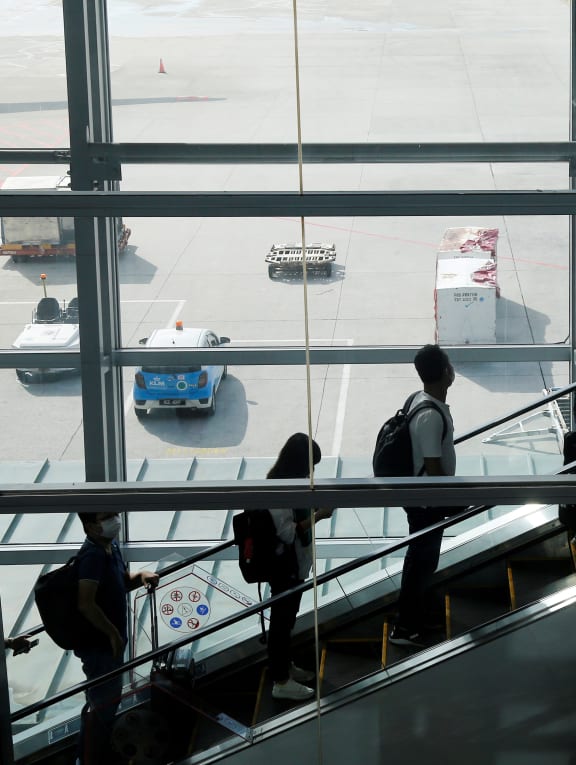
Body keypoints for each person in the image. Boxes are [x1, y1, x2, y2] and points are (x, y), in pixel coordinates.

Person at [75, 511, 159, 765]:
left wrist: (141, 576)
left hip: (111, 643)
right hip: (100, 646)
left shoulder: (110, 548)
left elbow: (119, 582)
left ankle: (96, 755)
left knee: (105, 703)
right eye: (106, 517)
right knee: (102, 706)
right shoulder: (91, 556)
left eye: (114, 515)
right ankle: (89, 758)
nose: (115, 520)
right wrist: (112, 634)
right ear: (90, 526)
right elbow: (85, 603)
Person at [389, 344, 457, 648]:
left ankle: (415, 618)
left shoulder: (420, 399)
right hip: (427, 503)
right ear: (445, 372)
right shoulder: (430, 416)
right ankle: (406, 628)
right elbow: (432, 467)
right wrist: (453, 499)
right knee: (420, 562)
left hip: (423, 500)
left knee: (420, 561)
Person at [266, 432, 334, 701]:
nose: (312, 471)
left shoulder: (291, 483)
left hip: (294, 567)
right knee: (281, 623)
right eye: (310, 465)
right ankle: (280, 680)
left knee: (287, 620)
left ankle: (284, 668)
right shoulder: (278, 490)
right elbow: (287, 533)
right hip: (285, 569)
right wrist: (317, 517)